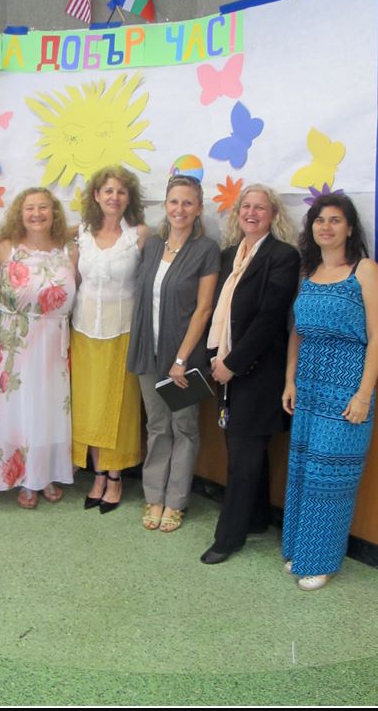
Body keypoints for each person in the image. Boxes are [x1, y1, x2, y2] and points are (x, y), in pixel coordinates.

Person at [281, 194, 378, 590]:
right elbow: (297, 333)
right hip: (308, 387)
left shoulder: (364, 271)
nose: (326, 226)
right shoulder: (309, 273)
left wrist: (363, 395)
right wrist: (290, 381)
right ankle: (301, 551)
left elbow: (377, 337)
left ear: (349, 228)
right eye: (319, 220)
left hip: (346, 388)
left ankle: (321, 562)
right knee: (303, 471)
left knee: (330, 479)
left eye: (335, 220)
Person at [200, 184, 300, 563]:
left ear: (273, 215)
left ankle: (228, 539)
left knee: (243, 455)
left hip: (259, 372)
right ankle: (256, 518)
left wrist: (232, 363)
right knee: (246, 448)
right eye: (246, 206)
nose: (252, 213)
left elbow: (269, 319)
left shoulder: (283, 256)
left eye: (260, 207)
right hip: (226, 368)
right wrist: (216, 359)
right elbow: (218, 313)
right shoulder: (229, 256)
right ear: (237, 212)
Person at [127, 174, 220, 532]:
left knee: (184, 427)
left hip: (183, 360)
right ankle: (154, 495)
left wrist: (181, 360)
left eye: (187, 203)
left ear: (198, 209)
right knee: (157, 426)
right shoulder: (152, 245)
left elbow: (203, 309)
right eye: (174, 202)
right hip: (148, 354)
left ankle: (176, 501)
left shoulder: (206, 250)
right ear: (165, 206)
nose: (179, 209)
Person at [0, 188, 77, 509]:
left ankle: (47, 473)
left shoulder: (69, 250)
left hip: (55, 342)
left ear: (54, 213)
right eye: (30, 208)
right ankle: (24, 477)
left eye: (43, 207)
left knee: (49, 408)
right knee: (18, 408)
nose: (37, 214)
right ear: (19, 213)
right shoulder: (6, 248)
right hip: (14, 342)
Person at [70, 166, 150, 513]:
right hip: (83, 332)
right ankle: (98, 474)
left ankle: (115, 477)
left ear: (129, 198)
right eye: (108, 190)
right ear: (96, 196)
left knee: (119, 407)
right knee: (88, 406)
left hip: (123, 332)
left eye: (120, 191)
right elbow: (70, 281)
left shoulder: (140, 235)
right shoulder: (81, 233)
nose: (114, 197)